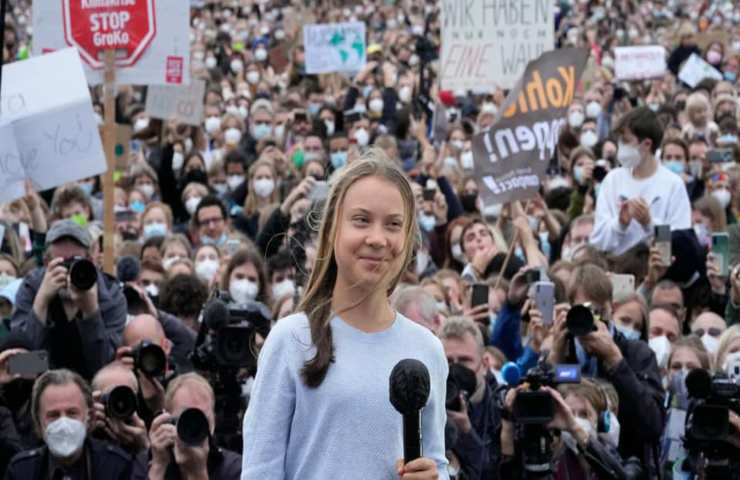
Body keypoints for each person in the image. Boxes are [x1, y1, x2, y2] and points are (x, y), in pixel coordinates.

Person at [242, 149, 449, 479]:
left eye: (394, 225)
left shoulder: (427, 349)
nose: (378, 239)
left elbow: (436, 461)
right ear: (332, 230)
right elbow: (260, 470)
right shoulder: (291, 338)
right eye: (362, 220)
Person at [547, 263, 665, 473]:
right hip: (566, 467)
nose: (593, 319)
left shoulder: (637, 353)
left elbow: (653, 425)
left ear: (612, 307)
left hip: (625, 466)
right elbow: (541, 410)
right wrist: (554, 358)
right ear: (571, 308)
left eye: (599, 312)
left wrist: (616, 361)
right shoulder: (564, 352)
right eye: (585, 311)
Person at [10, 220, 126, 379]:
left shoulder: (111, 294)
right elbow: (19, 363)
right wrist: (41, 302)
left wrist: (91, 312)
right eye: (61, 263)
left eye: (74, 261)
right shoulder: (31, 287)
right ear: (46, 263)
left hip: (93, 385)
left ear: (90, 259)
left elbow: (103, 365)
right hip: (40, 386)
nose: (68, 270)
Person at [590, 107, 692, 255]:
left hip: (659, 271)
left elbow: (682, 243)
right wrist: (620, 223)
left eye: (626, 141)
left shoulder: (673, 185)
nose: (621, 146)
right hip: (617, 269)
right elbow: (598, 242)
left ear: (647, 144)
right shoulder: (612, 180)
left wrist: (649, 223)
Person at [4, 369, 133, 479]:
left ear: (88, 417)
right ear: (38, 423)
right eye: (53, 415)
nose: (63, 423)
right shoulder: (21, 471)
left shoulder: (115, 466)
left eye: (72, 413)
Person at [134, 372, 242, 479]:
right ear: (167, 420)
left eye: (202, 419)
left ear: (213, 421)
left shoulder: (233, 468)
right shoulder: (145, 463)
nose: (194, 427)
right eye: (186, 419)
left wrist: (198, 473)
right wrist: (158, 467)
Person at [439, 316, 500, 480]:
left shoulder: (502, 408)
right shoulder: (428, 410)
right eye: (448, 361)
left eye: (465, 361)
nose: (455, 369)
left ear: (485, 365)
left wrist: (467, 433)